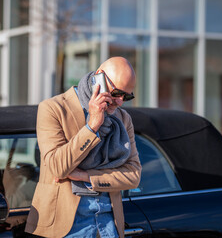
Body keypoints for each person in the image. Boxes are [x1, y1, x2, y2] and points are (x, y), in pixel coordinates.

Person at [25, 57, 142, 238]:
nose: (119, 101)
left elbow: (133, 175)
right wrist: (92, 126)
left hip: (108, 225)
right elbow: (57, 167)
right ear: (99, 78)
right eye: (117, 92)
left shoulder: (123, 119)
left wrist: (86, 176)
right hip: (64, 228)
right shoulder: (53, 109)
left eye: (126, 96)